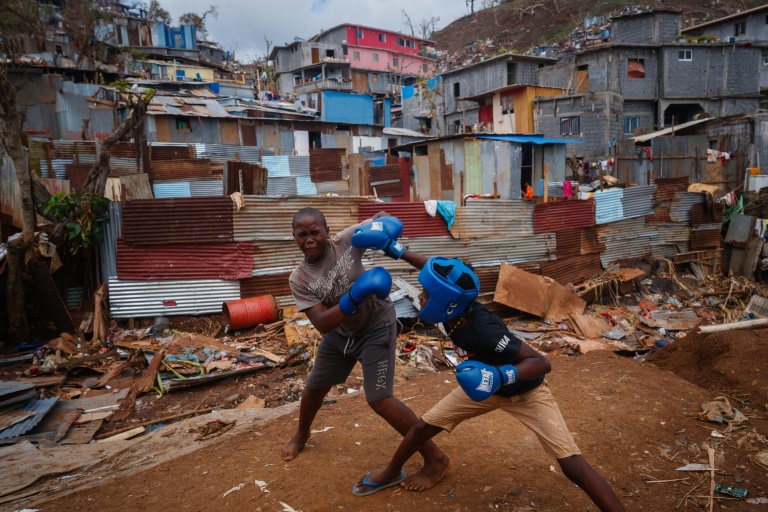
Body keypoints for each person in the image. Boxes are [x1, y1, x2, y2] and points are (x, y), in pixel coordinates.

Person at [352, 254, 627, 511]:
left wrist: (499, 376)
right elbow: (438, 273)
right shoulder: (453, 307)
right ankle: (392, 471)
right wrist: (397, 250)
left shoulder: (485, 328)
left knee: (572, 464)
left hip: (524, 391)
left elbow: (541, 362)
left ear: (446, 301)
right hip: (478, 387)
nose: (421, 298)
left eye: (426, 295)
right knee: (423, 427)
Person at [283, 207, 449, 495]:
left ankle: (435, 457)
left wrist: (388, 226)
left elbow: (383, 216)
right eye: (302, 235)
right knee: (314, 388)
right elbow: (322, 323)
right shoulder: (299, 279)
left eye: (315, 232)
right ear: (294, 238)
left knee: (380, 399)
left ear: (326, 231)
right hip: (338, 333)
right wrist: (356, 294)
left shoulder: (347, 241)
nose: (309, 239)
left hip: (375, 325)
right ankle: (302, 432)